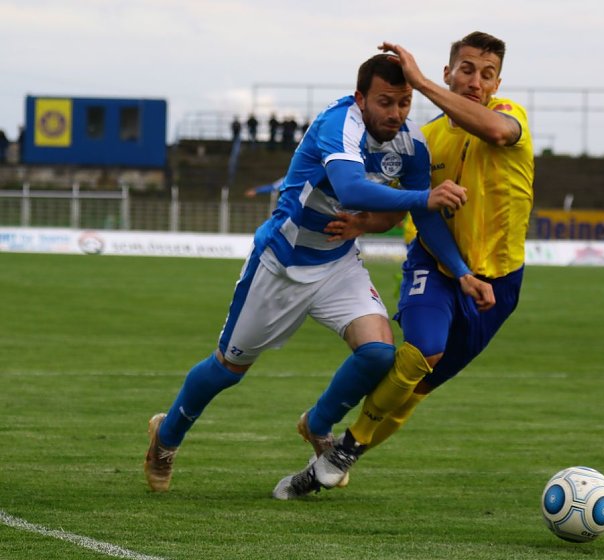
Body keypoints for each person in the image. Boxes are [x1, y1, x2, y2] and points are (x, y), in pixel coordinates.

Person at [144, 53, 493, 493]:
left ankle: (319, 424)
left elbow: (427, 219)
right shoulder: (338, 124)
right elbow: (352, 188)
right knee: (227, 370)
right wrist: (423, 198)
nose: (396, 114)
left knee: (379, 353)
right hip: (282, 265)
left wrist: (461, 271)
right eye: (385, 102)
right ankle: (166, 438)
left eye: (404, 103)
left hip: (338, 265)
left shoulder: (411, 145)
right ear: (360, 98)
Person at [275, 31, 534, 498]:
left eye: (487, 74)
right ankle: (332, 439)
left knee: (417, 390)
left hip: (499, 281)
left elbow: (495, 133)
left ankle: (341, 452)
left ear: (497, 83)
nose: (476, 81)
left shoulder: (510, 118)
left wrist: (416, 79)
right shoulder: (424, 139)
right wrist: (364, 223)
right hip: (434, 265)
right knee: (422, 351)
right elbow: (404, 207)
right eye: (467, 69)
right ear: (448, 73)